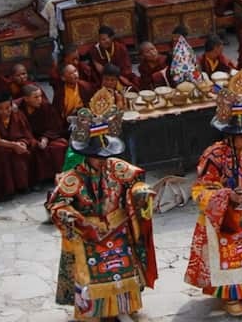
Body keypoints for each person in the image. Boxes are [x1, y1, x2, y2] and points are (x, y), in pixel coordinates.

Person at [46, 89, 157, 321]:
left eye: (104, 154)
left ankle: (123, 307)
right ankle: (92, 313)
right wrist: (78, 221)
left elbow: (135, 182)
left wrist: (141, 193)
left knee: (122, 270)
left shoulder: (117, 167)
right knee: (91, 275)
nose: (102, 159)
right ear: (86, 155)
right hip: (88, 233)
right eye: (97, 156)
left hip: (118, 227)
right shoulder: (74, 178)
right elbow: (56, 204)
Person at [185, 70, 242, 316]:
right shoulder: (213, 155)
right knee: (229, 253)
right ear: (228, 134)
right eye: (240, 135)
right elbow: (201, 188)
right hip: (225, 215)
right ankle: (230, 296)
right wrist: (227, 196)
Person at [0, 96, 36, 200]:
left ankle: (22, 186)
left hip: (11, 143)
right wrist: (15, 145)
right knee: (3, 154)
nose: (4, 111)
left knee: (23, 152)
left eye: (7, 108)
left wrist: (22, 142)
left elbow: (25, 133)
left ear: (12, 106)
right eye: (0, 109)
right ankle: (6, 190)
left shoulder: (16, 113)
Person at [18, 83, 67, 185]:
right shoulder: (18, 109)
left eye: (40, 96)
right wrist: (33, 141)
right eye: (35, 97)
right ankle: (39, 180)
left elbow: (55, 126)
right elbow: (20, 129)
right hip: (28, 138)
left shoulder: (46, 106)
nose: (40, 99)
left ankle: (58, 175)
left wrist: (45, 138)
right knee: (34, 149)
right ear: (26, 99)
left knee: (60, 145)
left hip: (47, 137)